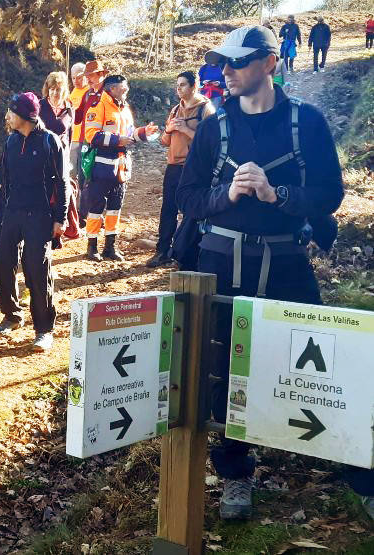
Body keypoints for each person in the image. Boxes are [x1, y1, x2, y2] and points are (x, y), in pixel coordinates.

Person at [175, 25, 362, 521]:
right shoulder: (215, 127)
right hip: (221, 262)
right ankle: (235, 475)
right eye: (222, 64)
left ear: (270, 64)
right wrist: (228, 196)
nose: (226, 72)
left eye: (236, 63)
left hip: (286, 262)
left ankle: (359, 471)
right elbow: (187, 198)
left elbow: (329, 195)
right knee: (221, 371)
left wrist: (277, 195)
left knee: (323, 363)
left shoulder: (307, 122)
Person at [0, 92, 69, 352]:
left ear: (25, 115)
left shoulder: (49, 141)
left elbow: (62, 182)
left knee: (36, 268)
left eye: (11, 112)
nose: (7, 117)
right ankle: (11, 314)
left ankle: (44, 329)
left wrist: (60, 218)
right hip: (11, 213)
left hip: (40, 215)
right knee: (3, 264)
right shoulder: (11, 141)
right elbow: (1, 177)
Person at [82, 75, 159, 261]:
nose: (127, 90)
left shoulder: (124, 108)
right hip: (101, 165)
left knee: (115, 207)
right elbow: (91, 135)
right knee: (96, 207)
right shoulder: (98, 107)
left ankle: (110, 246)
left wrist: (143, 133)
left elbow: (130, 134)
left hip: (121, 167)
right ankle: (92, 247)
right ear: (112, 89)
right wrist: (117, 140)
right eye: (123, 88)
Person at [146, 72, 214, 268]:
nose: (179, 89)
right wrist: (169, 130)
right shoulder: (176, 109)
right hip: (173, 166)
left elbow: (210, 143)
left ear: (194, 86)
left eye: (183, 85)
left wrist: (185, 129)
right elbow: (164, 141)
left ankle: (186, 252)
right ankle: (163, 251)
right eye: (177, 85)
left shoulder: (206, 110)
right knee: (168, 208)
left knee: (191, 211)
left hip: (194, 168)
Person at [72, 60, 110, 224]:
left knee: (98, 180)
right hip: (84, 142)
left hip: (101, 144)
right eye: (87, 76)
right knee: (83, 178)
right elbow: (78, 117)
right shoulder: (87, 94)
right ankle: (83, 215)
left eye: (92, 76)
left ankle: (97, 215)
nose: (89, 79)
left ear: (102, 75)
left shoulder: (108, 95)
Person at [38, 71, 73, 146]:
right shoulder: (39, 106)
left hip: (62, 153)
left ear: (64, 90)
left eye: (58, 89)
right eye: (52, 89)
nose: (55, 93)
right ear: (48, 89)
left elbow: (69, 135)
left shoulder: (69, 109)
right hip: (43, 153)